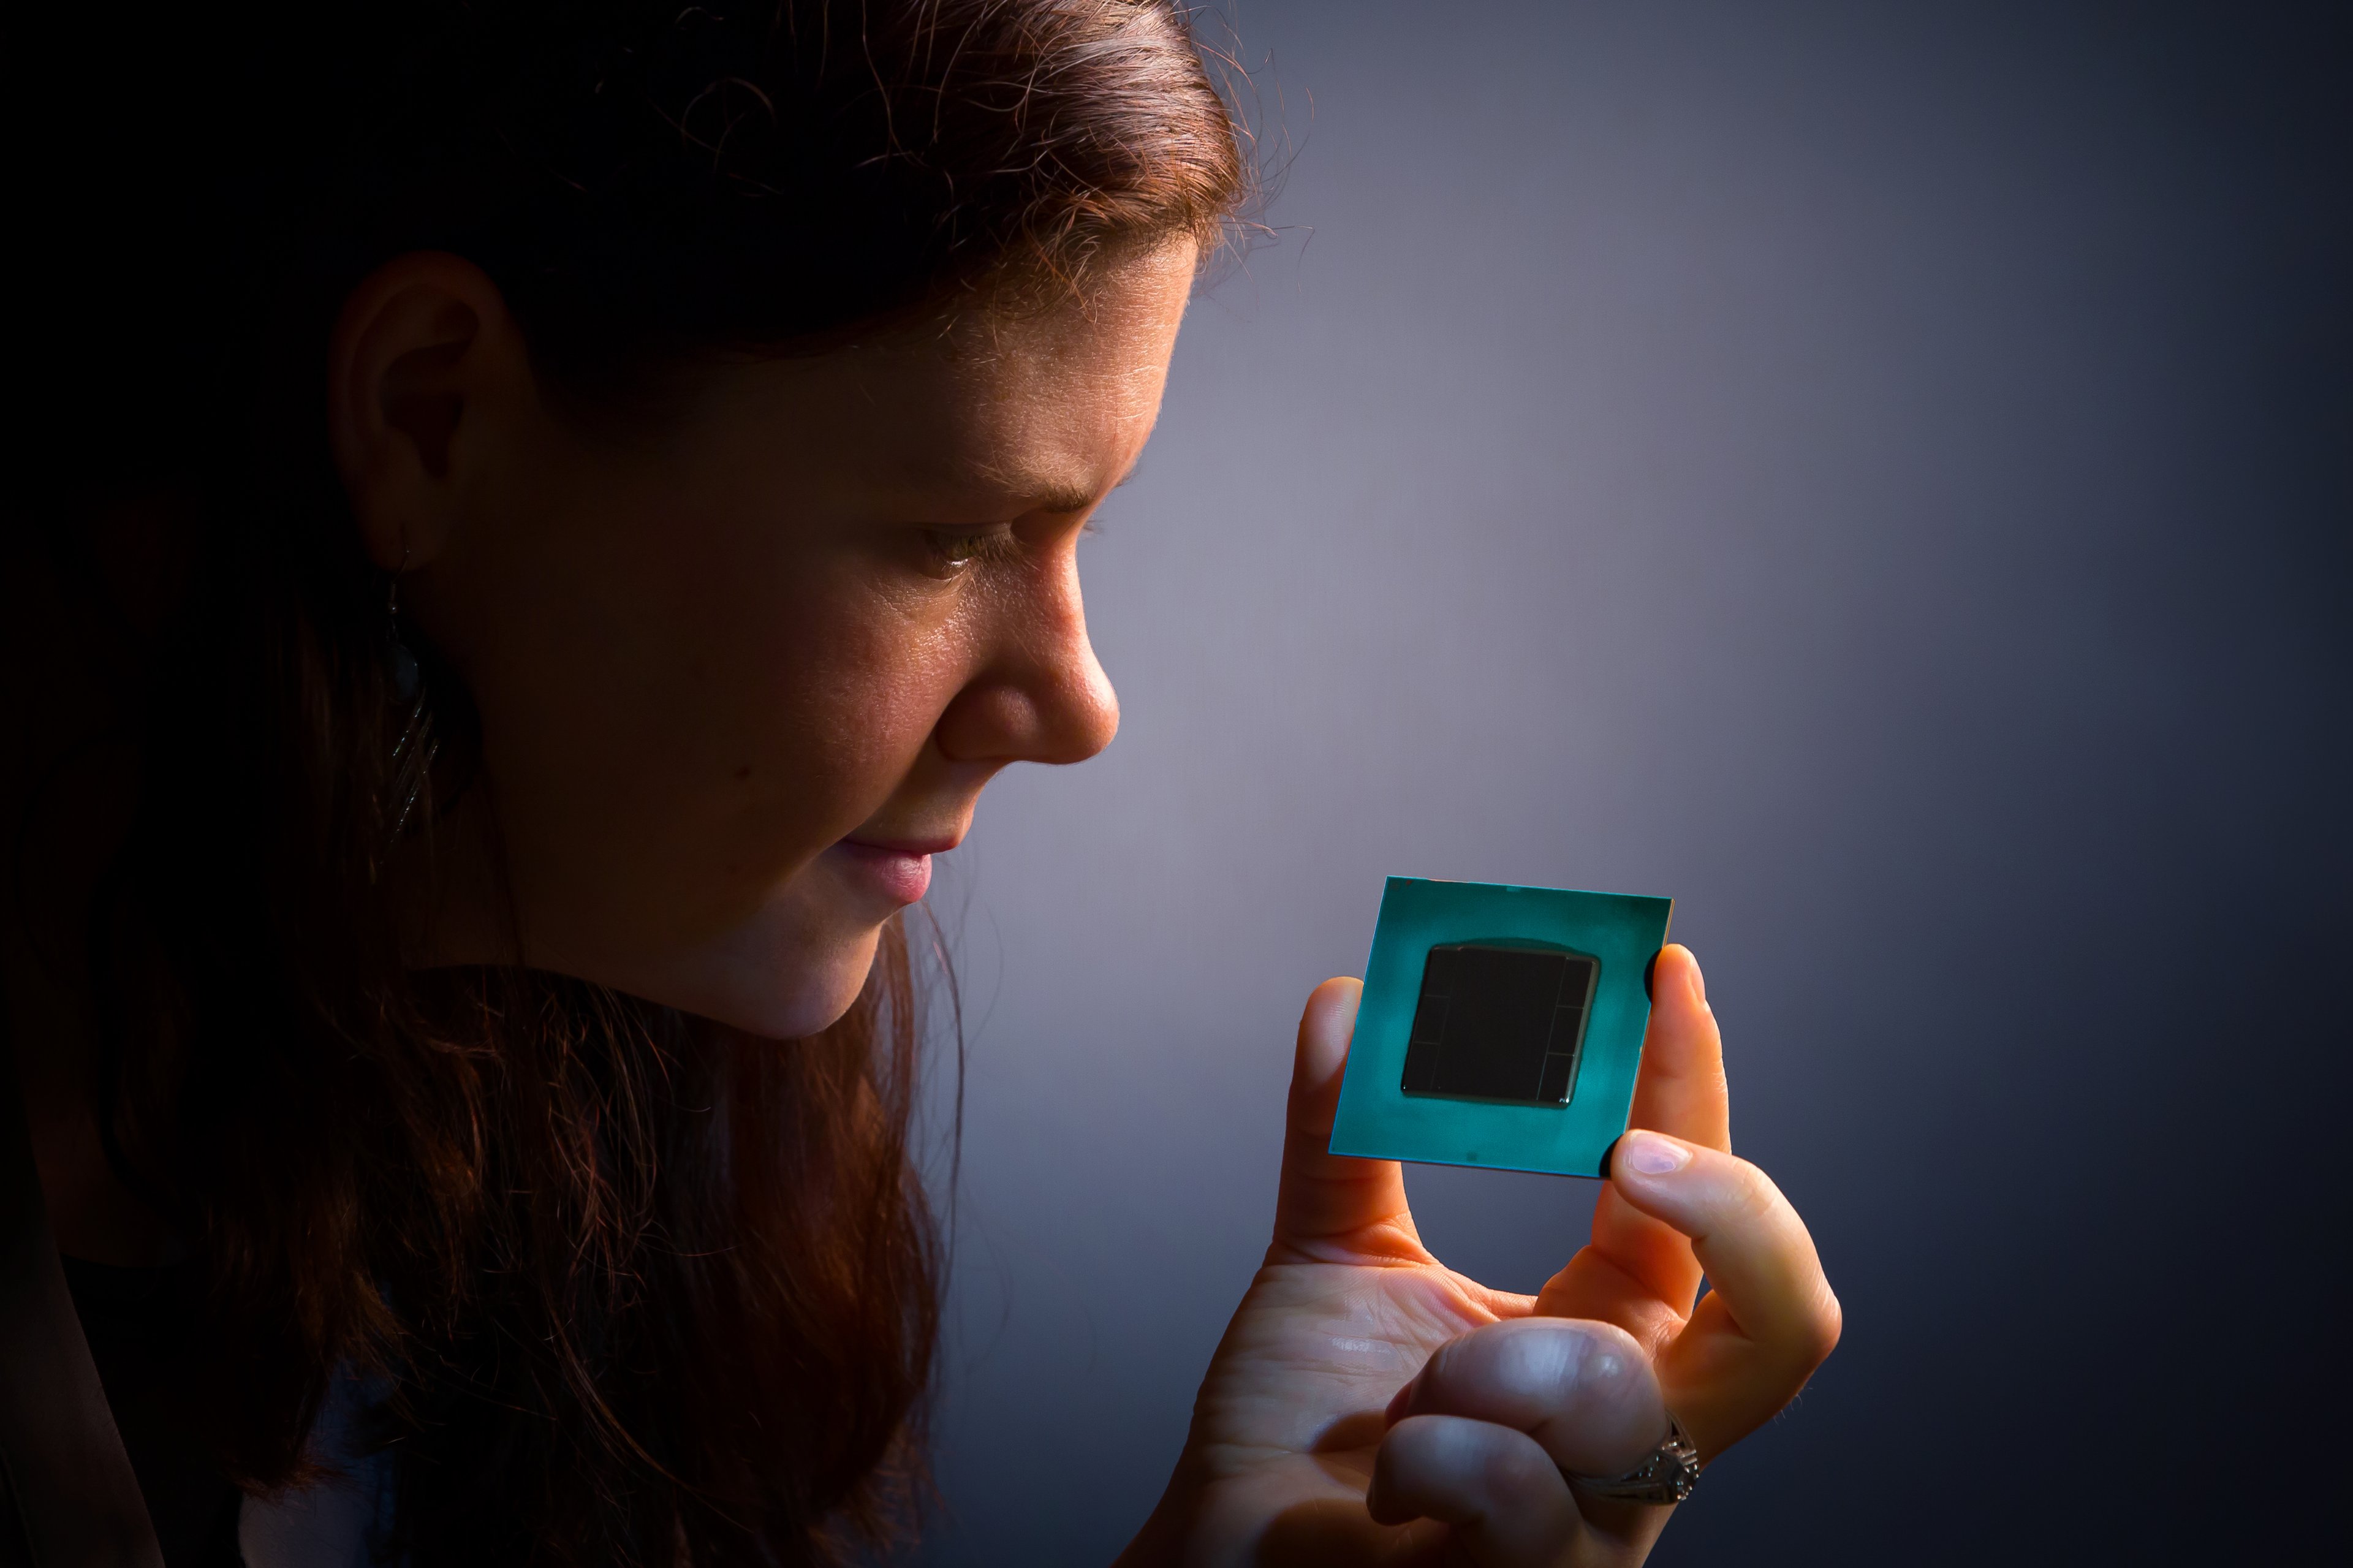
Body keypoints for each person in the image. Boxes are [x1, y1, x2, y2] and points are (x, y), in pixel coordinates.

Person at [1, 2, 1839, 1564]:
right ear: (428, 421)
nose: (1077, 704)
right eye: (953, 533)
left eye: (1080, 537)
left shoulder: (579, 1168)